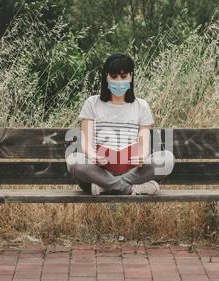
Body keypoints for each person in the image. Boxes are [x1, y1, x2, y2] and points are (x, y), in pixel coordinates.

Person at [66, 53, 175, 195]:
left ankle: (107, 187)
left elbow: (144, 140)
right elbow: (86, 141)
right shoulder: (92, 103)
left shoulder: (141, 105)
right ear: (106, 77)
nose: (119, 81)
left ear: (131, 77)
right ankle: (130, 189)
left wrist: (141, 156)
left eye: (123, 77)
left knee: (167, 159)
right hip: (100, 169)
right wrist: (93, 156)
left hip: (132, 170)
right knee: (74, 161)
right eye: (114, 76)